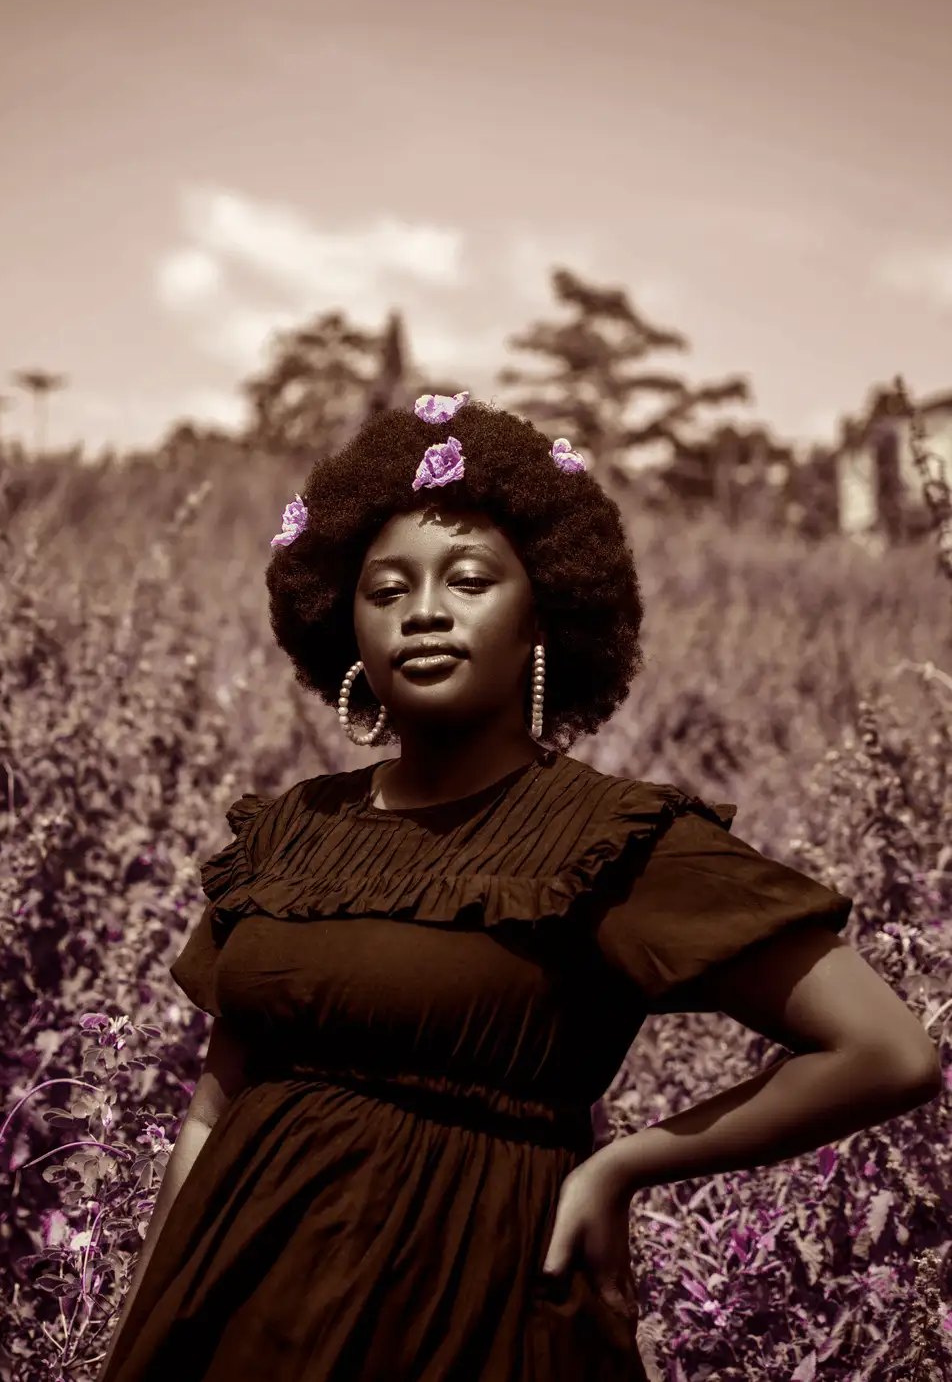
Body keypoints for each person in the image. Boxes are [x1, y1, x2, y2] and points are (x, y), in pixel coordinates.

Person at [98, 393, 940, 1381]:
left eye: (467, 581)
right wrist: (135, 1338)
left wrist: (624, 1165)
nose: (422, 611)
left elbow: (884, 1051)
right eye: (386, 590)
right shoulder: (286, 834)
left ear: (541, 617)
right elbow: (213, 1108)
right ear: (347, 629)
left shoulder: (613, 839)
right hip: (231, 1318)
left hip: (465, 1315)